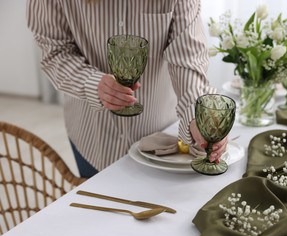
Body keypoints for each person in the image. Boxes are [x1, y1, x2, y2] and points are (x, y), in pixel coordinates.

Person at [26, 0, 229, 178]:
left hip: (158, 137)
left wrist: (198, 117)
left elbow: (188, 60)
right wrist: (92, 83)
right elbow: (55, 51)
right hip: (92, 138)